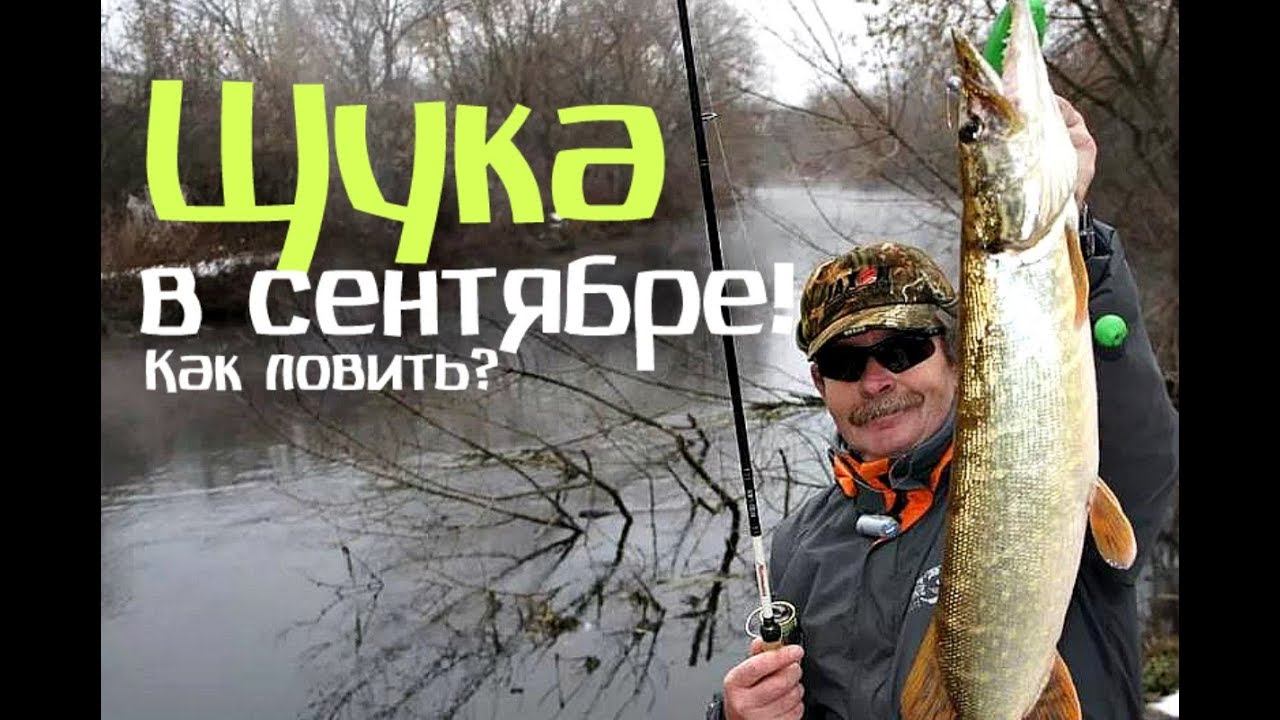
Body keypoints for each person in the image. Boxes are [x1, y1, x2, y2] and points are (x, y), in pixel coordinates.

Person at [705, 98, 1179, 719]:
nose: (876, 382)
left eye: (902, 350)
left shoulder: (1036, 466)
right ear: (821, 384)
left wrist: (1069, 225)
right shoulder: (801, 545)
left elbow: (1142, 449)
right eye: (847, 364)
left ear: (955, 357)